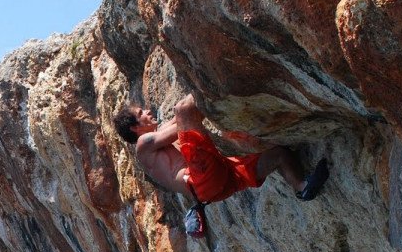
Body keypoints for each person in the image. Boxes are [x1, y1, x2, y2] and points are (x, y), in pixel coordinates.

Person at [112, 93, 328, 234]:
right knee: (184, 108)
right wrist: (203, 85)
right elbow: (181, 119)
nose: (148, 112)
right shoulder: (143, 144)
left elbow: (175, 124)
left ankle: (302, 187)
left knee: (279, 154)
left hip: (216, 186)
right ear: (134, 128)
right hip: (202, 178)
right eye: (141, 114)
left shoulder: (152, 143)